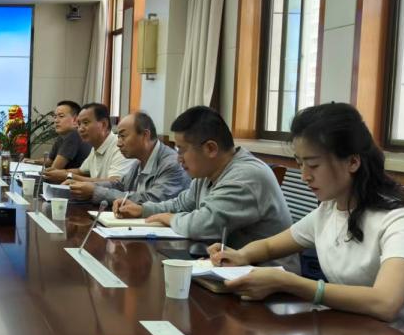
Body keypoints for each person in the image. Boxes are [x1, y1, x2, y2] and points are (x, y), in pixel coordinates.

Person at [210, 103, 404, 335]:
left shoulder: (402, 221)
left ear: (352, 162)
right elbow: (269, 247)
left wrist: (290, 283)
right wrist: (241, 255)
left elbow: (385, 303)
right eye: (300, 163)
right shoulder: (329, 210)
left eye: (313, 165)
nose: (304, 176)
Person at [113, 106, 296, 268]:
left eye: (182, 150)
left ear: (210, 148)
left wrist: (169, 218)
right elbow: (180, 204)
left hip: (269, 277)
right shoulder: (207, 172)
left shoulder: (246, 176)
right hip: (230, 267)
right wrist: (143, 210)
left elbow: (203, 224)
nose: (178, 158)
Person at [72, 111, 189, 206]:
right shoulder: (138, 162)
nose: (118, 144)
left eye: (123, 136)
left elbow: (152, 200)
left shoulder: (172, 164)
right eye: (118, 137)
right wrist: (88, 186)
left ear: (145, 135)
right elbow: (120, 185)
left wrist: (96, 192)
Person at [60, 103, 136, 199]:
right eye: (79, 124)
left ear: (104, 124)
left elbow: (115, 183)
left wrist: (70, 176)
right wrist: (60, 173)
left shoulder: (120, 147)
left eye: (86, 123)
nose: (80, 129)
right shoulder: (95, 146)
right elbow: (81, 171)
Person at [38, 100, 91, 180]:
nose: (56, 120)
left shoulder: (74, 135)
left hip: (73, 183)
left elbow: (55, 169)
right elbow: (50, 161)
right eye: (55, 117)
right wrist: (29, 161)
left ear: (75, 120)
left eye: (61, 116)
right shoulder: (62, 136)